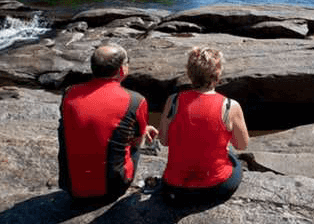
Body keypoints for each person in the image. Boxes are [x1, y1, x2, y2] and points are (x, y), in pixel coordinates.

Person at [58, 44, 158, 203]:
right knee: (134, 143)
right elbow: (137, 142)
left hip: (71, 187)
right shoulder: (136, 101)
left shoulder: (69, 93)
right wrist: (142, 130)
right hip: (112, 190)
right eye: (127, 62)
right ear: (121, 70)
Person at [158, 46, 249, 207]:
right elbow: (241, 145)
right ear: (218, 74)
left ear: (189, 73)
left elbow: (164, 141)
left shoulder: (172, 101)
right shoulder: (229, 106)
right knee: (235, 159)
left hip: (174, 186)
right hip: (215, 187)